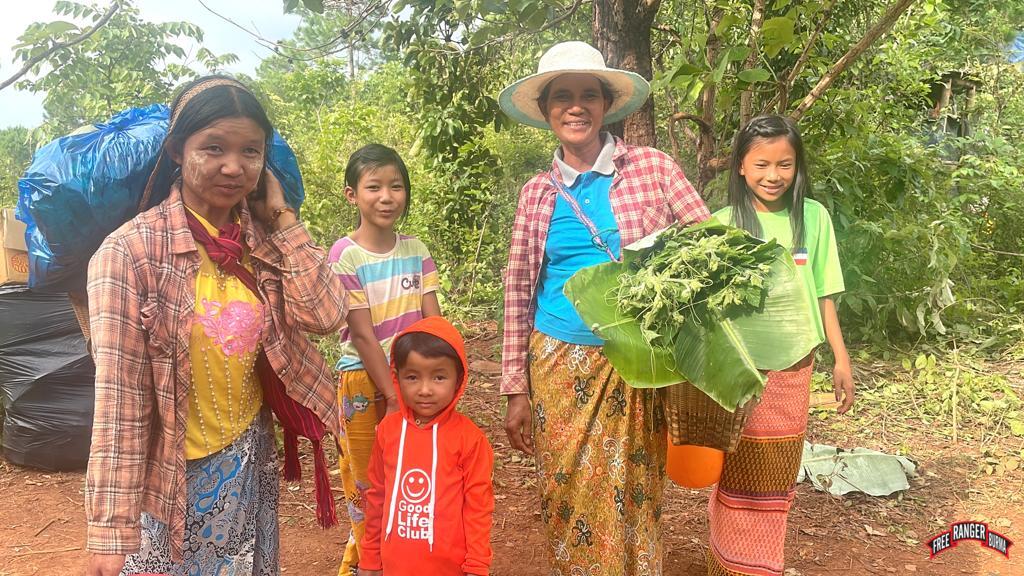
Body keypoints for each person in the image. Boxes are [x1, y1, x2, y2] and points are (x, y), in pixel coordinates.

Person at [84, 75, 346, 576]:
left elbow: (327, 316)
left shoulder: (264, 239)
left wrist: (286, 222)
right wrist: (110, 531)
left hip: (250, 463)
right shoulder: (130, 254)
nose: (233, 166)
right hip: (169, 484)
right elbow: (120, 401)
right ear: (178, 151)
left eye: (251, 151)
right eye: (214, 148)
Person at [497, 41, 710, 574]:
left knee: (635, 484)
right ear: (546, 112)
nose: (576, 107)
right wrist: (515, 389)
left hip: (639, 363)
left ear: (605, 105)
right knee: (566, 486)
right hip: (558, 363)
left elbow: (708, 250)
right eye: (562, 97)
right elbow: (519, 288)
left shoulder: (654, 169)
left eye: (587, 94)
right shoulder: (537, 194)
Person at [709, 114, 854, 575]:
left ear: (798, 167)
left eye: (785, 165)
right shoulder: (721, 224)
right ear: (740, 168)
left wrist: (841, 358)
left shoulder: (813, 218)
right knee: (734, 470)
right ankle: (728, 562)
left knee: (775, 474)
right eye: (762, 164)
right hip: (740, 372)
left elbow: (825, 294)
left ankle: (762, 565)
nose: (773, 176)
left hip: (794, 370)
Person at [327, 143, 442, 575]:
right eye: (373, 186)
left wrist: (440, 381)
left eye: (396, 186)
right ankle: (366, 566)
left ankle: (403, 561)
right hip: (363, 384)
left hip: (415, 381)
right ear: (351, 194)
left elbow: (434, 321)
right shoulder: (345, 255)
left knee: (411, 478)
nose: (387, 196)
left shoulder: (415, 249)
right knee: (366, 483)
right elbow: (362, 334)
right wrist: (393, 396)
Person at [357, 316, 494, 576]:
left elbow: (478, 506)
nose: (425, 390)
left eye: (439, 377)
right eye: (412, 377)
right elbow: (377, 498)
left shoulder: (470, 439)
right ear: (396, 378)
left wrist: (477, 565)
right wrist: (370, 559)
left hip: (451, 569)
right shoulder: (387, 431)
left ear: (459, 379)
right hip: (394, 567)